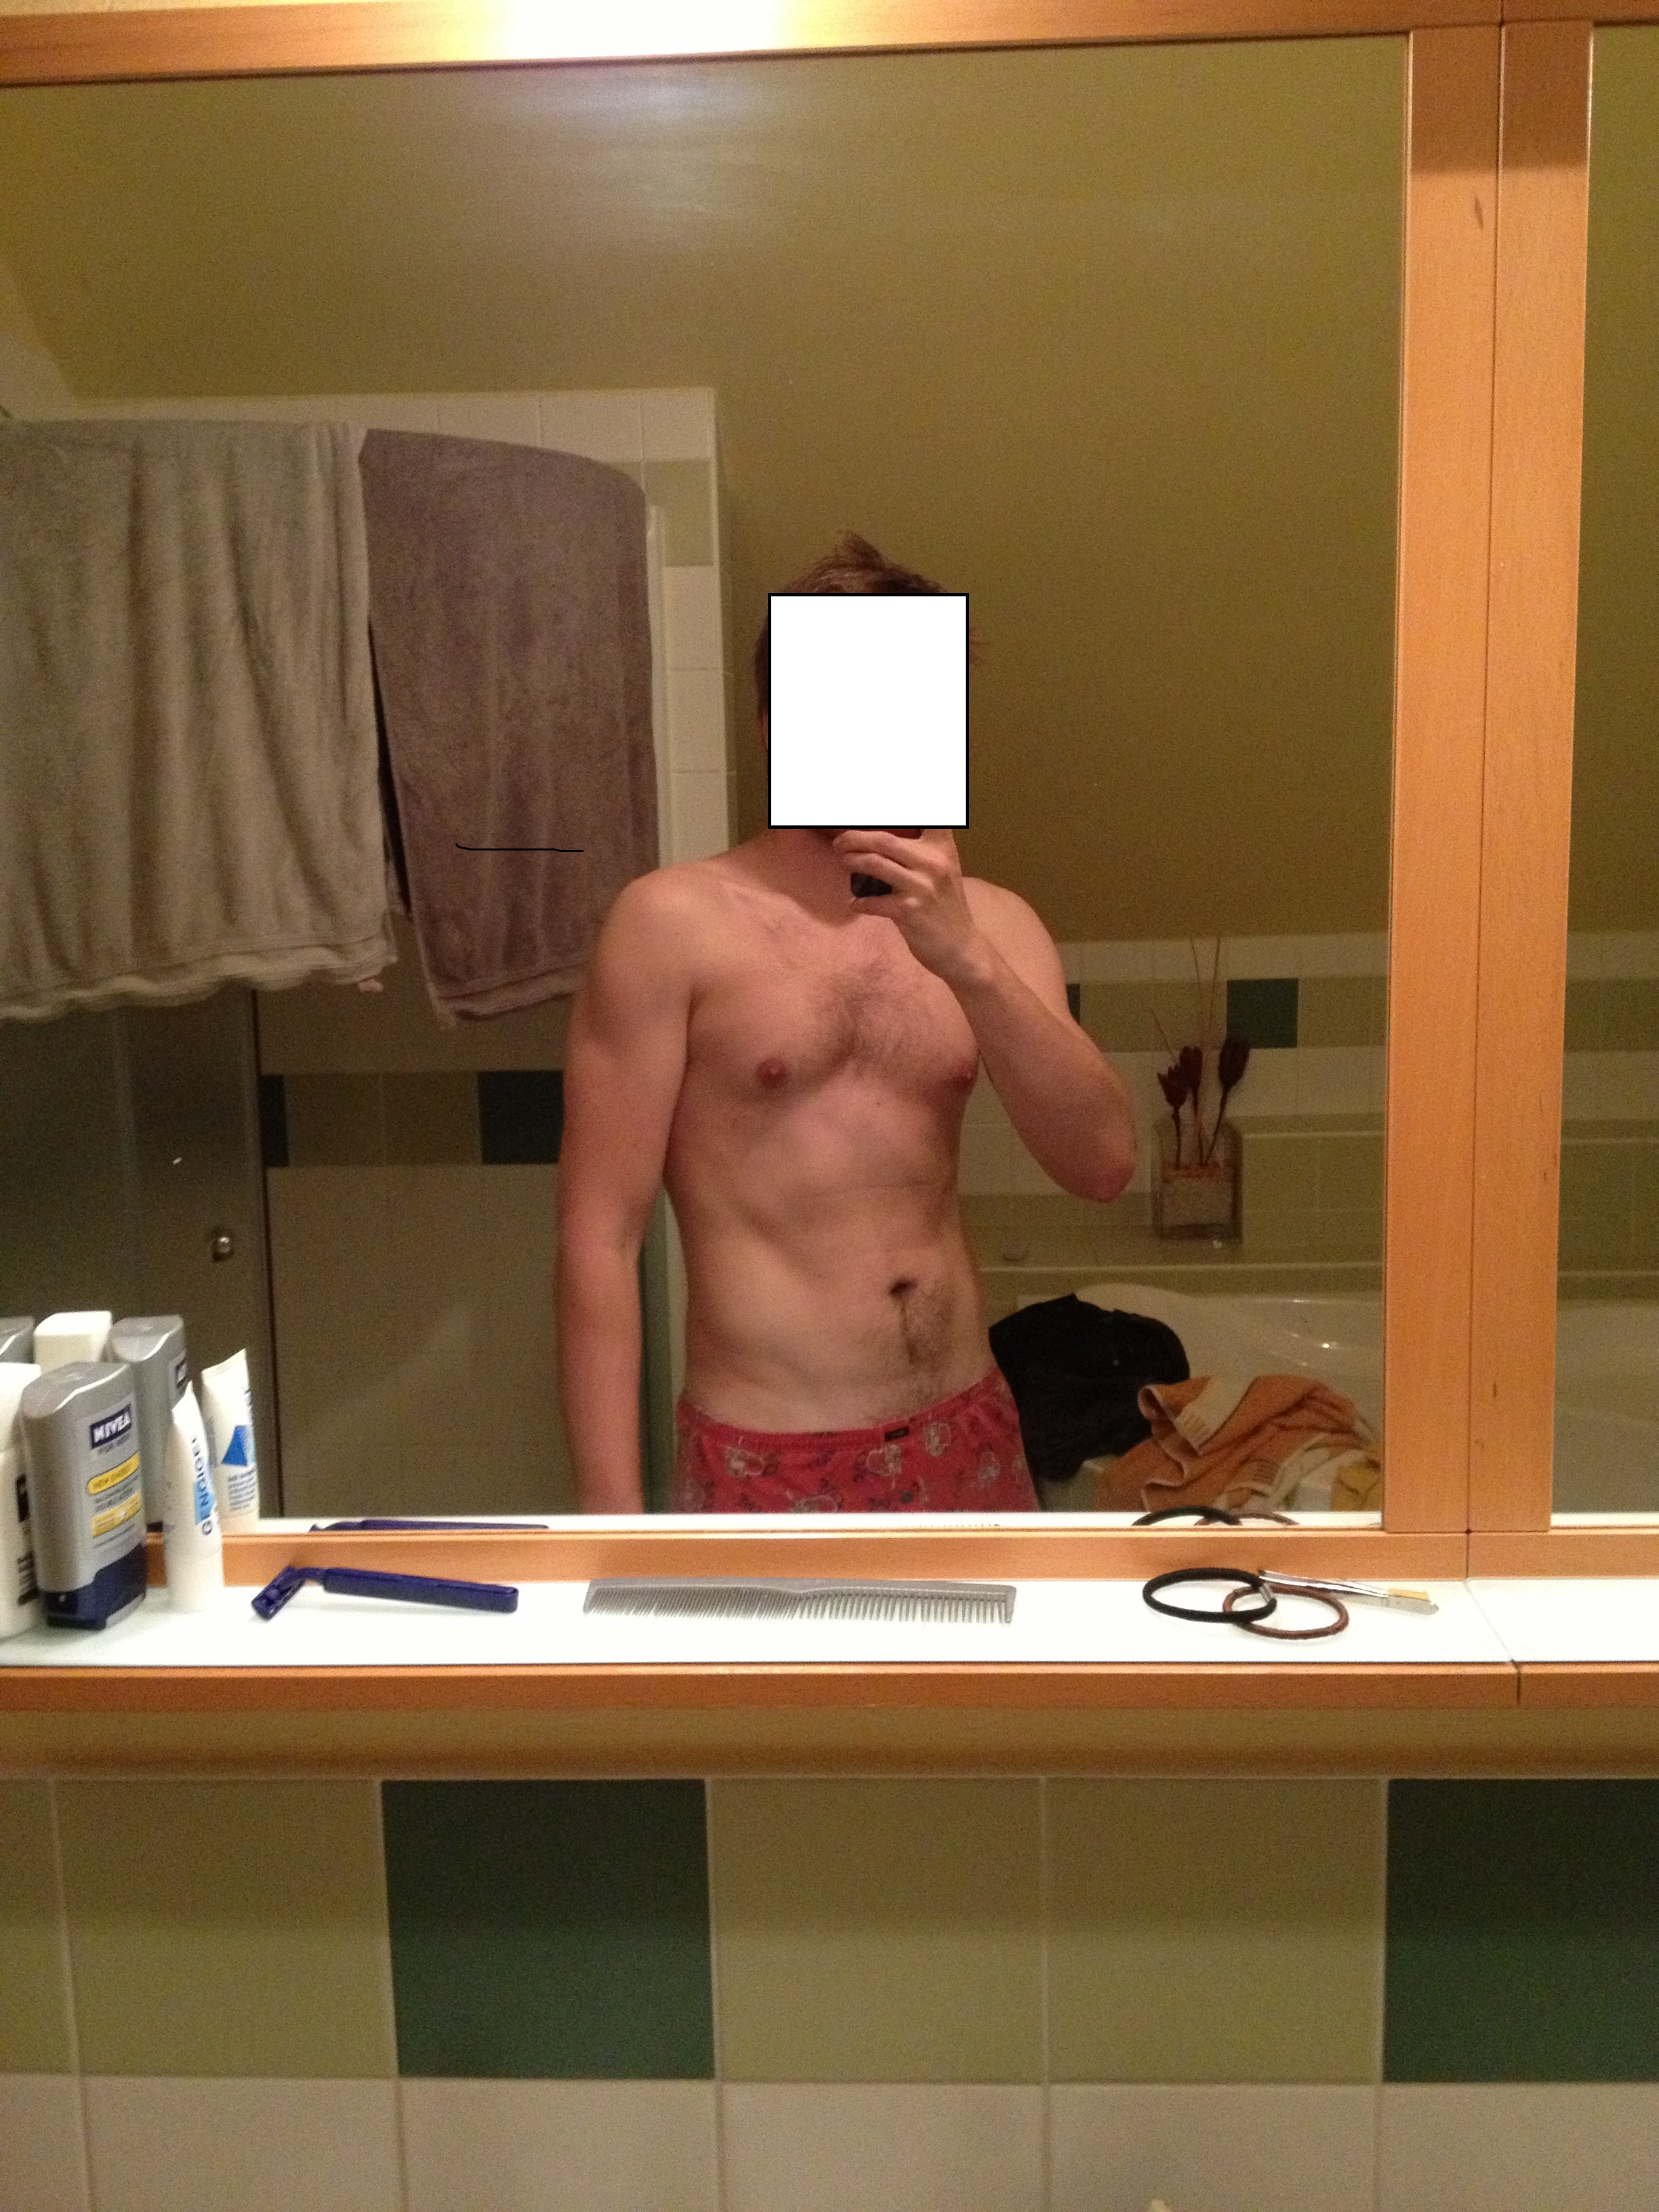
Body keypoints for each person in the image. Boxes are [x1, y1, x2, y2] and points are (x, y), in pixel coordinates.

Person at [557, 533, 1136, 1513]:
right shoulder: (671, 925)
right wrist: (613, 1533)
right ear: (774, 725)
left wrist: (968, 963)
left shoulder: (996, 927)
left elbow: (1103, 1165)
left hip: (971, 1434)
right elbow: (599, 1239)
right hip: (768, 1456)